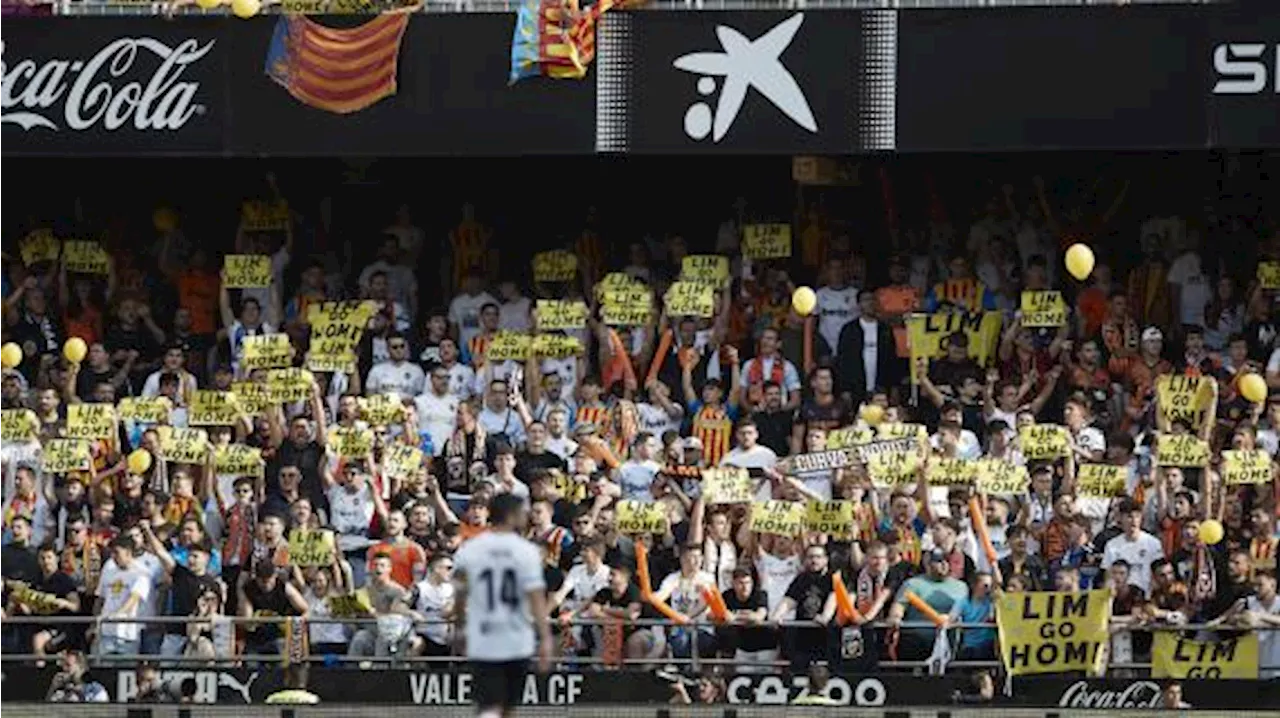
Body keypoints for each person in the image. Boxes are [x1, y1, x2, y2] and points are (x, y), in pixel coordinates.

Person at [452, 493, 552, 718]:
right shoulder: (526, 551)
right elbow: (536, 597)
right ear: (511, 515)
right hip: (517, 637)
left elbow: (460, 594)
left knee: (488, 705)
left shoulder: (470, 549)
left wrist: (460, 628)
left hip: (483, 636)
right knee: (507, 707)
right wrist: (544, 638)